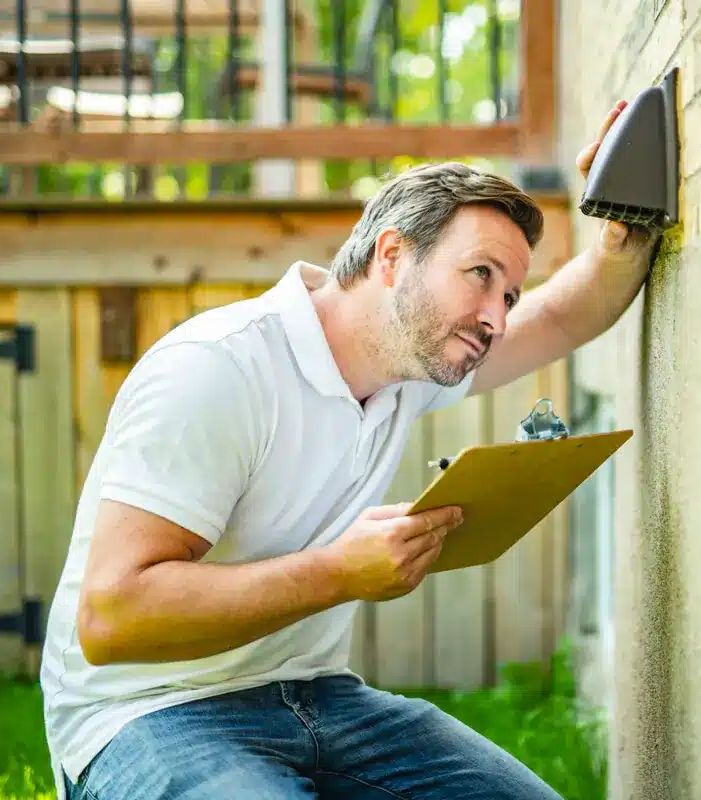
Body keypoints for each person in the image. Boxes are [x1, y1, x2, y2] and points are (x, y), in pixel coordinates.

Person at [41, 101, 657, 800]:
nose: (496, 317)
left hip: (317, 699)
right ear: (392, 257)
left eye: (509, 293)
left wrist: (622, 218)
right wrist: (337, 572)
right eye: (480, 275)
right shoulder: (219, 370)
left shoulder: (408, 369)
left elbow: (562, 314)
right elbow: (112, 617)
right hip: (147, 712)